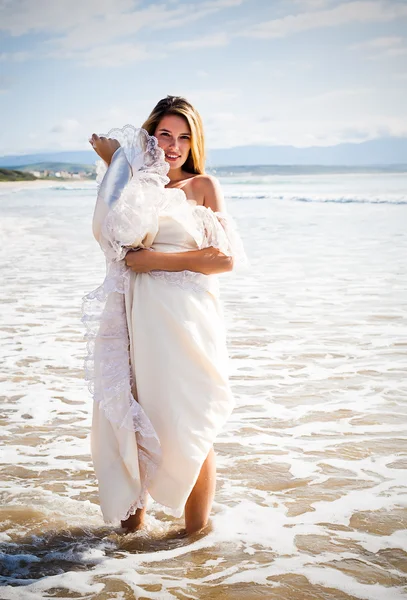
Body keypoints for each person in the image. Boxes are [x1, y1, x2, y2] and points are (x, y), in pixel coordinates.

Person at [84, 95, 246, 535]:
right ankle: (129, 537)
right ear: (150, 136)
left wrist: (156, 260)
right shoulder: (138, 183)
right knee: (134, 414)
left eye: (184, 137)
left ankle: (195, 537)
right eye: (165, 135)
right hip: (136, 315)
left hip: (186, 317)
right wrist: (119, 163)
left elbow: (225, 259)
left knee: (190, 417)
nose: (174, 146)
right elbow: (110, 235)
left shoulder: (202, 186)